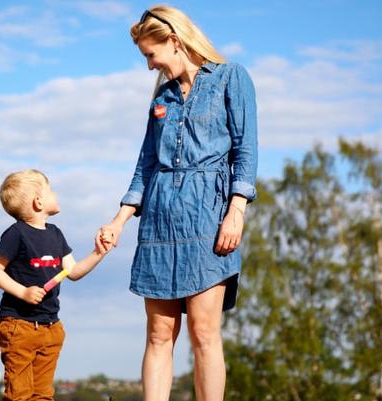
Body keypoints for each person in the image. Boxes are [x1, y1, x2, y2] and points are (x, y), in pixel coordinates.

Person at [96, 5, 258, 401]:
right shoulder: (162, 98)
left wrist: (236, 211)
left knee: (204, 332)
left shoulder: (230, 78)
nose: (150, 65)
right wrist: (119, 220)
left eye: (151, 55)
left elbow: (246, 151)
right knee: (158, 334)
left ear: (174, 41)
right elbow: (146, 164)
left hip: (208, 217)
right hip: (158, 220)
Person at [0, 169, 108, 401]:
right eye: (50, 189)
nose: (55, 194)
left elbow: (72, 272)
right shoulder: (16, 234)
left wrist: (98, 253)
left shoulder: (56, 234)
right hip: (19, 326)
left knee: (42, 395)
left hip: (50, 326)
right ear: (38, 201)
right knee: (19, 394)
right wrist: (23, 291)